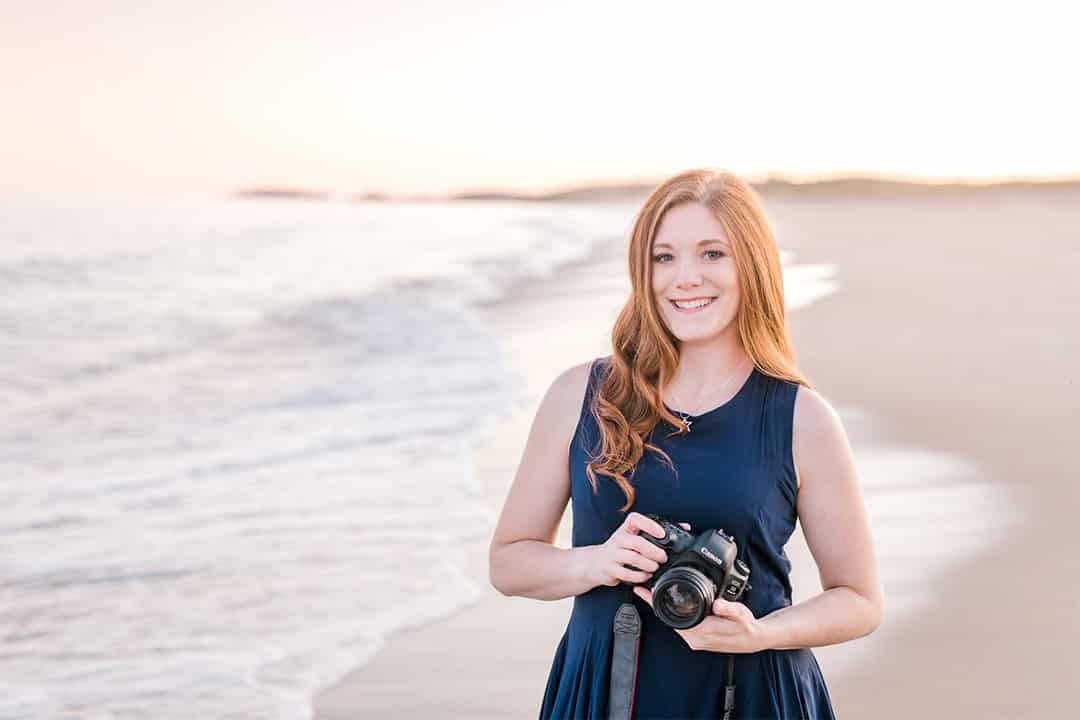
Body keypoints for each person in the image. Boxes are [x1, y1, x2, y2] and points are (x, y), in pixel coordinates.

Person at [488, 169, 883, 719]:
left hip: (754, 695)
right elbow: (509, 563)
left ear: (752, 266)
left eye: (712, 254)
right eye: (664, 257)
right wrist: (599, 563)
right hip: (607, 692)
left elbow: (859, 600)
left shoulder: (802, 419)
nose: (686, 278)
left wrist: (762, 633)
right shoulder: (579, 396)